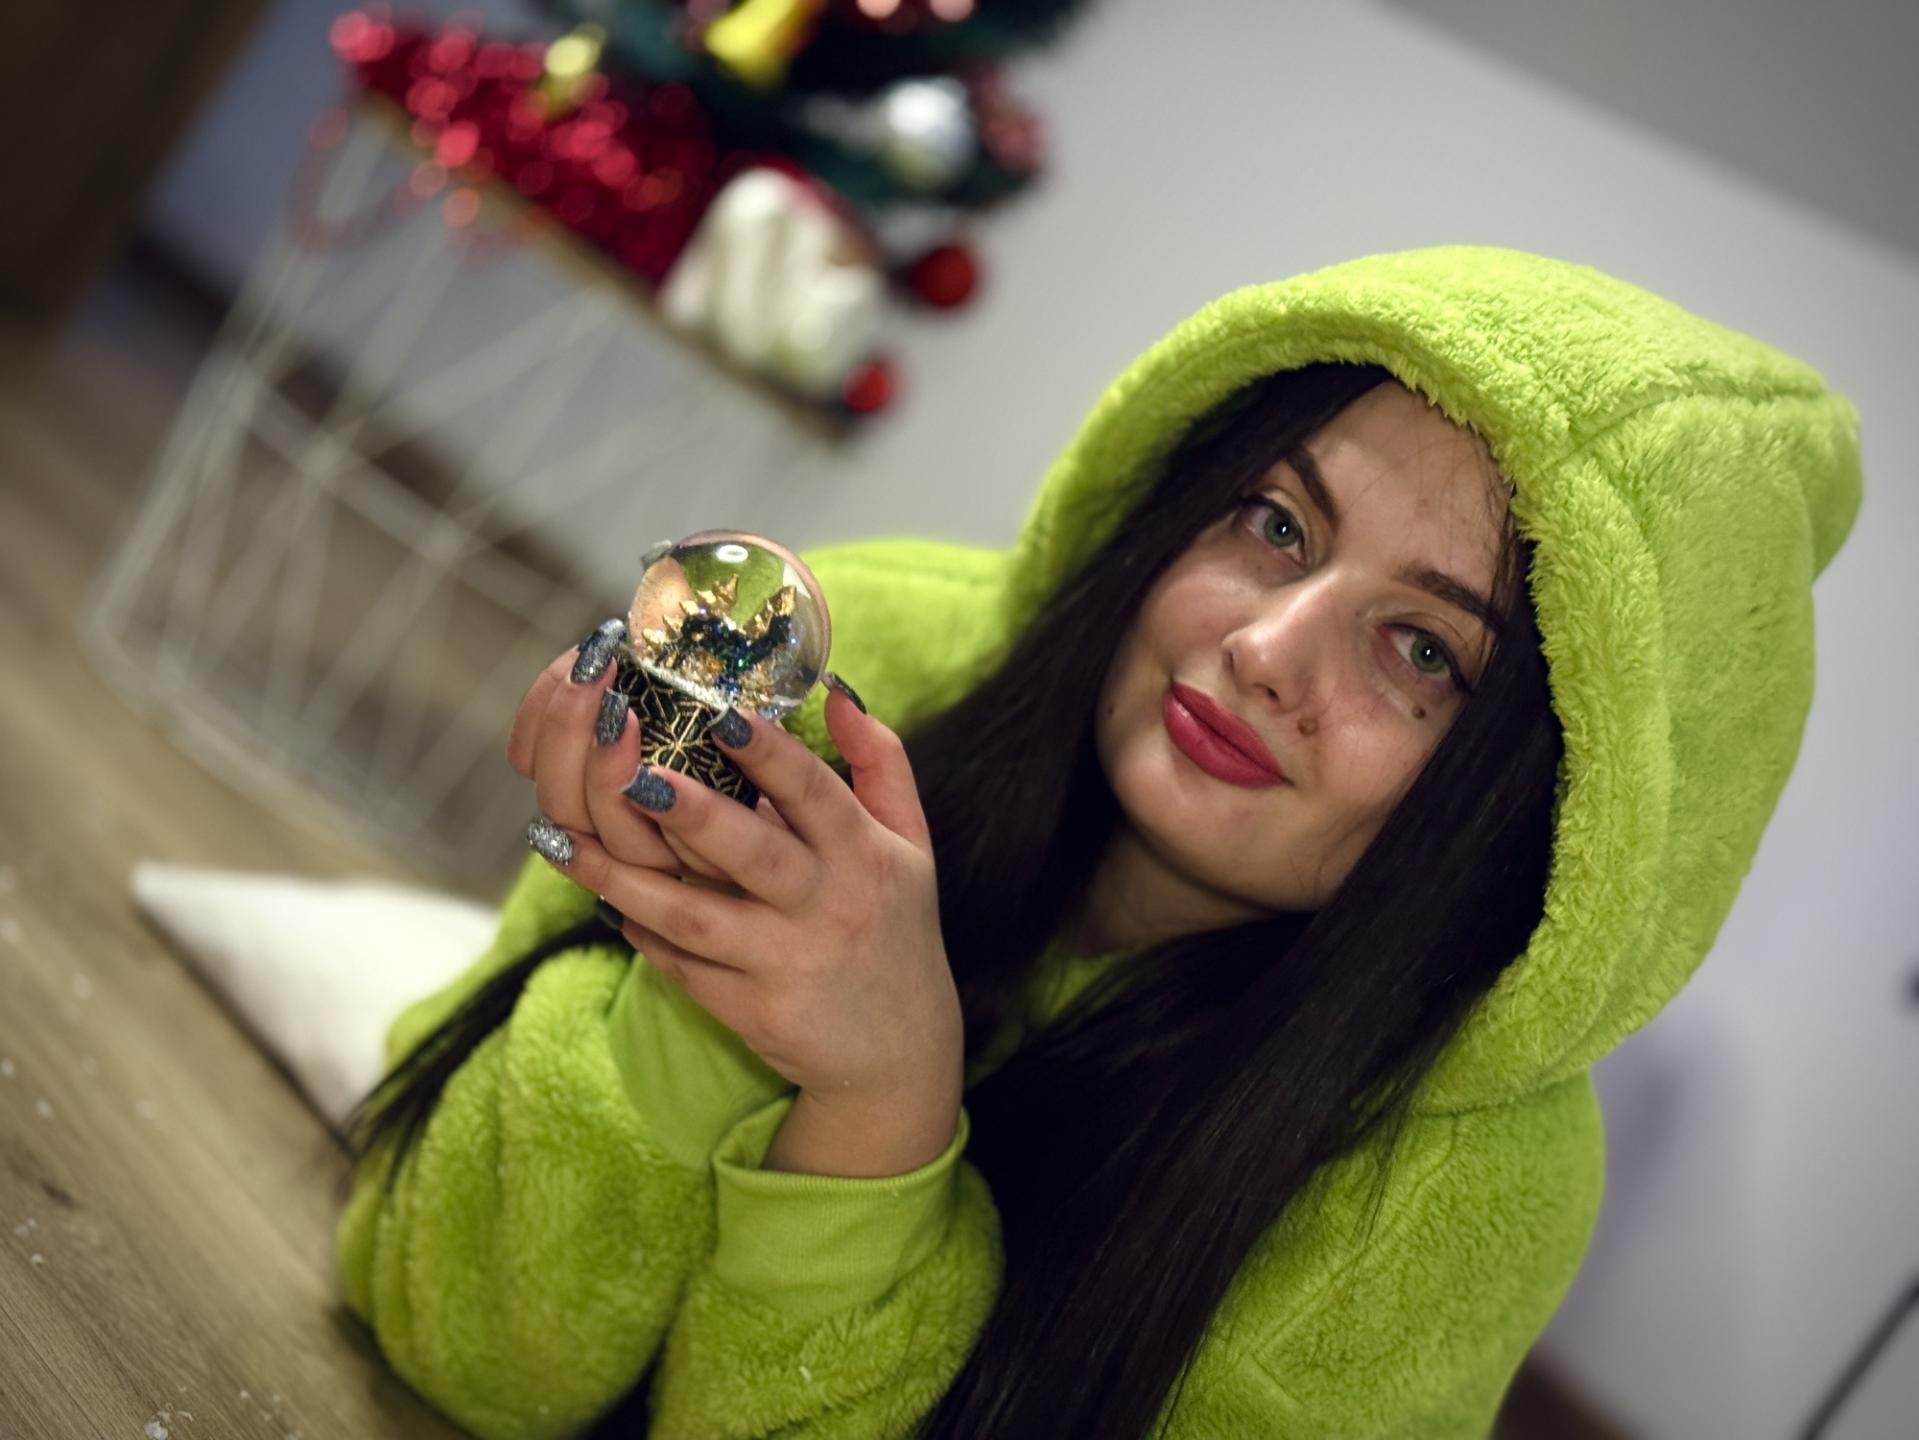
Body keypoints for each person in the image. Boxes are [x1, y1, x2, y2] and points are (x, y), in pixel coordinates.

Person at [335, 245, 1862, 1438]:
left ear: (1545, 810)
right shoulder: (868, 673)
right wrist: (693, 976)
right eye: (1277, 523)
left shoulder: (1452, 1196)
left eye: (1424, 653)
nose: (1266, 649)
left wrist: (884, 1103)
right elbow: (451, 1335)